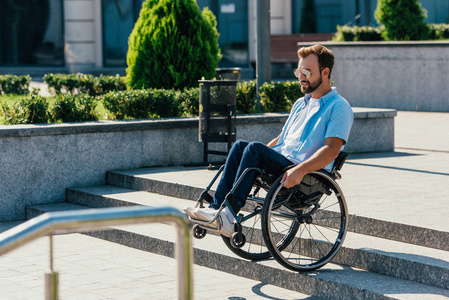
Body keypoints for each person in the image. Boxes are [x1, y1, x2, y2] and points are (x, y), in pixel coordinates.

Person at [184, 44, 354, 237]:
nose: (300, 77)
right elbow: (282, 139)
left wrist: (300, 169)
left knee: (254, 149)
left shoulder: (339, 107)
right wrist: (252, 155)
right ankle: (216, 209)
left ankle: (228, 216)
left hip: (304, 174)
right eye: (298, 71)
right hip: (282, 162)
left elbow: (331, 150)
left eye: (306, 71)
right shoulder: (301, 103)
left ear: (325, 72)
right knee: (242, 147)